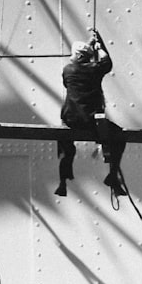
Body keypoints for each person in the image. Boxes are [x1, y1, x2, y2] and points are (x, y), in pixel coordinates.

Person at [56, 28, 127, 197]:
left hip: (70, 119)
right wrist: (99, 43)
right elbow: (107, 62)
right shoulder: (94, 69)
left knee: (68, 150)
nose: (71, 57)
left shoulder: (68, 70)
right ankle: (112, 175)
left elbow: (74, 75)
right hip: (90, 120)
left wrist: (89, 47)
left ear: (77, 56)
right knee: (120, 137)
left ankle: (63, 182)